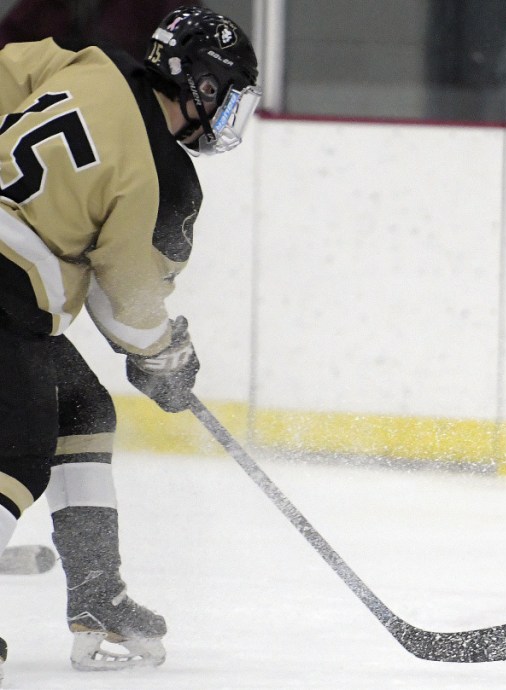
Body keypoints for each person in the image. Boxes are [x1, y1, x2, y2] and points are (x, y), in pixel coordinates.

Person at [0, 5, 260, 678]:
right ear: (201, 88)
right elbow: (129, 305)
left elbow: (4, 72)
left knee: (81, 407)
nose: (230, 117)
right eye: (229, 100)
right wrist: (165, 356)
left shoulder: (89, 63)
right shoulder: (164, 180)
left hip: (13, 302)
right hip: (4, 295)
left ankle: (97, 591)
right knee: (17, 456)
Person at [0, 0, 202, 61]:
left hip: (140, 107)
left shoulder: (164, 7)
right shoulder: (45, 9)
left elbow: (192, 53)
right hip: (58, 100)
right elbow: (9, 41)